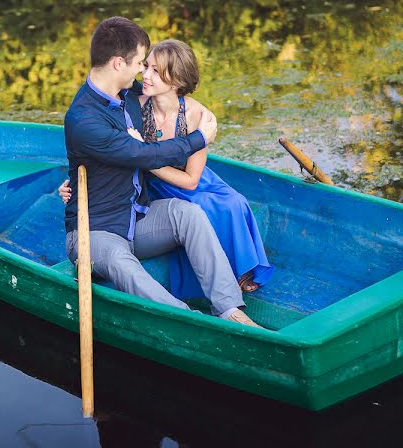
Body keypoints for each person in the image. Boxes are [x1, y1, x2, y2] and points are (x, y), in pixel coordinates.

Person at [64, 16, 260, 328]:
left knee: (189, 214)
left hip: (136, 217)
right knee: (120, 262)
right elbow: (143, 155)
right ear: (118, 63)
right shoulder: (85, 120)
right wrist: (199, 139)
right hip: (94, 232)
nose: (144, 71)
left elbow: (171, 86)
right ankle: (188, 321)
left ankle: (228, 309)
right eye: (140, 63)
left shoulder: (128, 93)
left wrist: (198, 114)